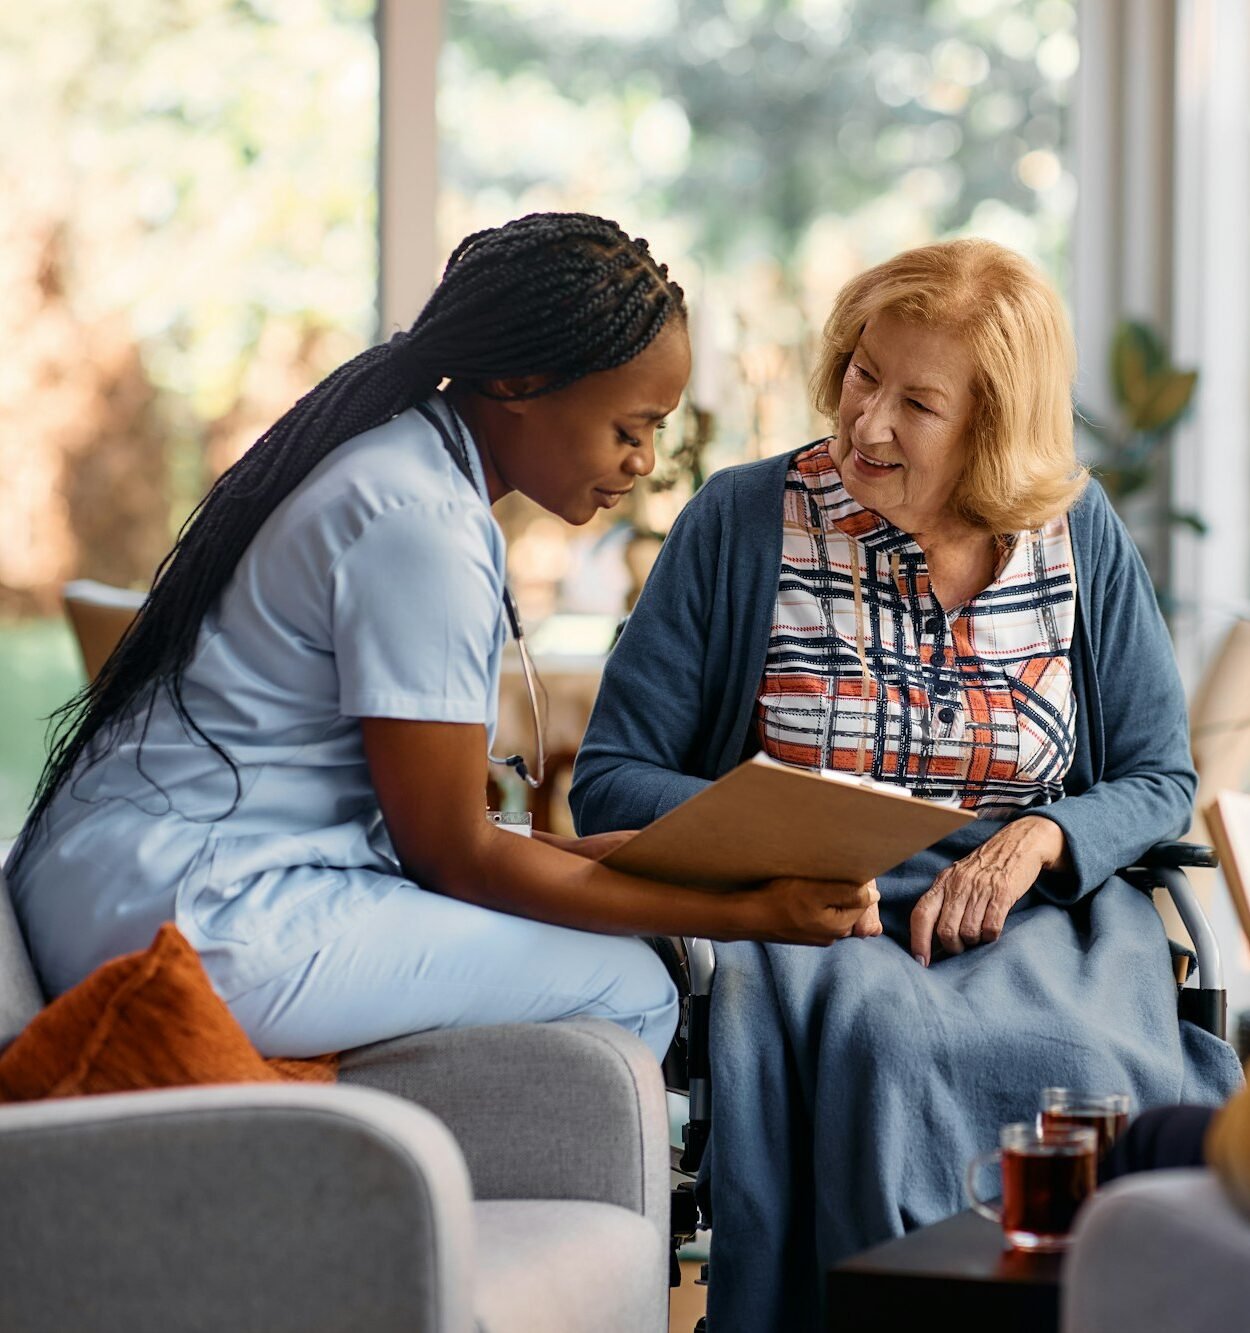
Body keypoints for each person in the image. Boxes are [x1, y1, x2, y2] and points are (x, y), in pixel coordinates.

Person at [5, 212, 878, 1064]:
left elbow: (443, 835)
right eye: (630, 427)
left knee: (619, 943)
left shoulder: (401, 464)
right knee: (630, 986)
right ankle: (397, 1194)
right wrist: (749, 916)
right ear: (519, 385)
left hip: (119, 885)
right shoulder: (421, 522)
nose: (645, 461)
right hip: (193, 918)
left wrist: (656, 867)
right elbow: (455, 857)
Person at [570, 237, 1245, 1329]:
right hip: (812, 913)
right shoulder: (743, 522)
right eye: (860, 373)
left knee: (1083, 1070)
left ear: (991, 424)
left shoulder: (1077, 534)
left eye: (917, 403)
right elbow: (607, 783)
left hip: (1034, 913)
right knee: (887, 1052)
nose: (866, 421)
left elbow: (1156, 773)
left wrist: (1041, 839)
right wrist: (777, 827)